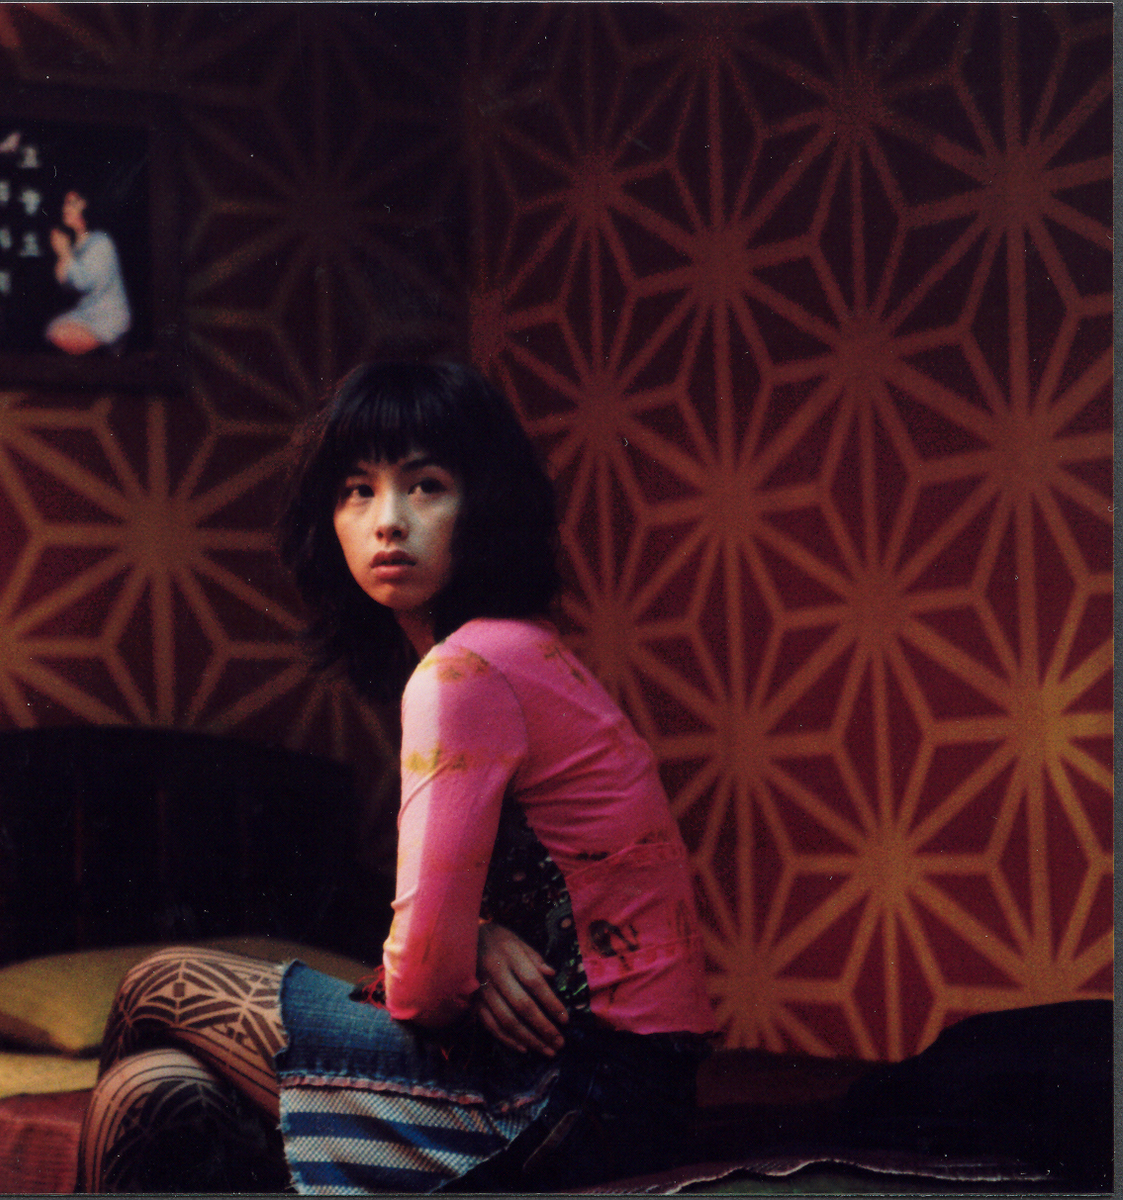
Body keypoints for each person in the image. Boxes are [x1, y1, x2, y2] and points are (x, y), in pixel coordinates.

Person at [77, 360, 716, 1193]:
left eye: (425, 487)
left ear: (485, 504)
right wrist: (473, 937)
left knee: (160, 982)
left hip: (569, 1091)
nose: (388, 522)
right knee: (156, 1091)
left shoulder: (466, 671)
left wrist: (456, 951)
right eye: (357, 491)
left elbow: (421, 989)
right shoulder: (523, 651)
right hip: (630, 1089)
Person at [46, 189, 131, 354]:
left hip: (108, 317)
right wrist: (63, 257)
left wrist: (65, 254)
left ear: (87, 207)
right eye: (65, 204)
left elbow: (83, 283)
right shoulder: (77, 245)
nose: (65, 208)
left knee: (60, 335)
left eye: (72, 204)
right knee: (51, 330)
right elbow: (67, 286)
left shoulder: (101, 242)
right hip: (87, 313)